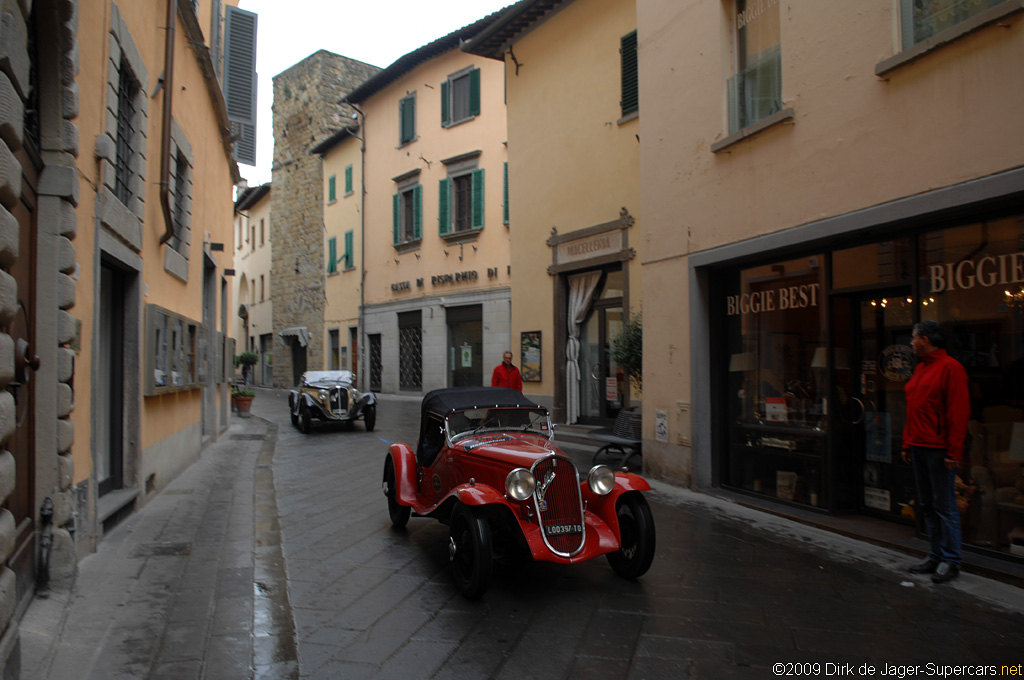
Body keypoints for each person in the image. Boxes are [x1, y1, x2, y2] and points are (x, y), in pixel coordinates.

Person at [900, 320, 969, 584]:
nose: (911, 342)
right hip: (918, 445)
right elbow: (913, 410)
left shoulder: (951, 368)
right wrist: (907, 443)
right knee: (927, 504)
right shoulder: (919, 369)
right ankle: (935, 554)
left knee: (944, 505)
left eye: (913, 338)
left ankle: (951, 560)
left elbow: (958, 412)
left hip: (938, 449)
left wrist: (954, 450)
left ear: (925, 340)